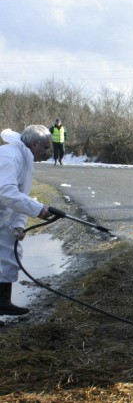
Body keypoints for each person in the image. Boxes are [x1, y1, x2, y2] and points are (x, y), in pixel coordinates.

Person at [0, 125, 53, 316]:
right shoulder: (9, 156)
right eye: (46, 148)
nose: (47, 152)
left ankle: (2, 301)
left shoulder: (24, 159)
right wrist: (37, 209)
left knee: (9, 251)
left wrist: (18, 225)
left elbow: (20, 195)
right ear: (34, 143)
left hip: (2, 213)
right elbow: (5, 191)